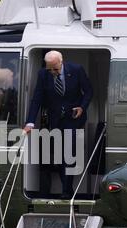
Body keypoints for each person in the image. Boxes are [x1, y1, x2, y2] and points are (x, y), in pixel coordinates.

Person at [23, 50, 93, 199]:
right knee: (61, 155)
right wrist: (30, 122)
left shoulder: (76, 69)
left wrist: (82, 107)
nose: (53, 72)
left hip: (74, 118)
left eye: (55, 68)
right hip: (55, 119)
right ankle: (67, 188)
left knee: (68, 152)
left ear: (61, 62)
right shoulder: (43, 74)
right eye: (50, 69)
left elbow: (88, 91)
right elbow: (37, 99)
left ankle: (66, 191)